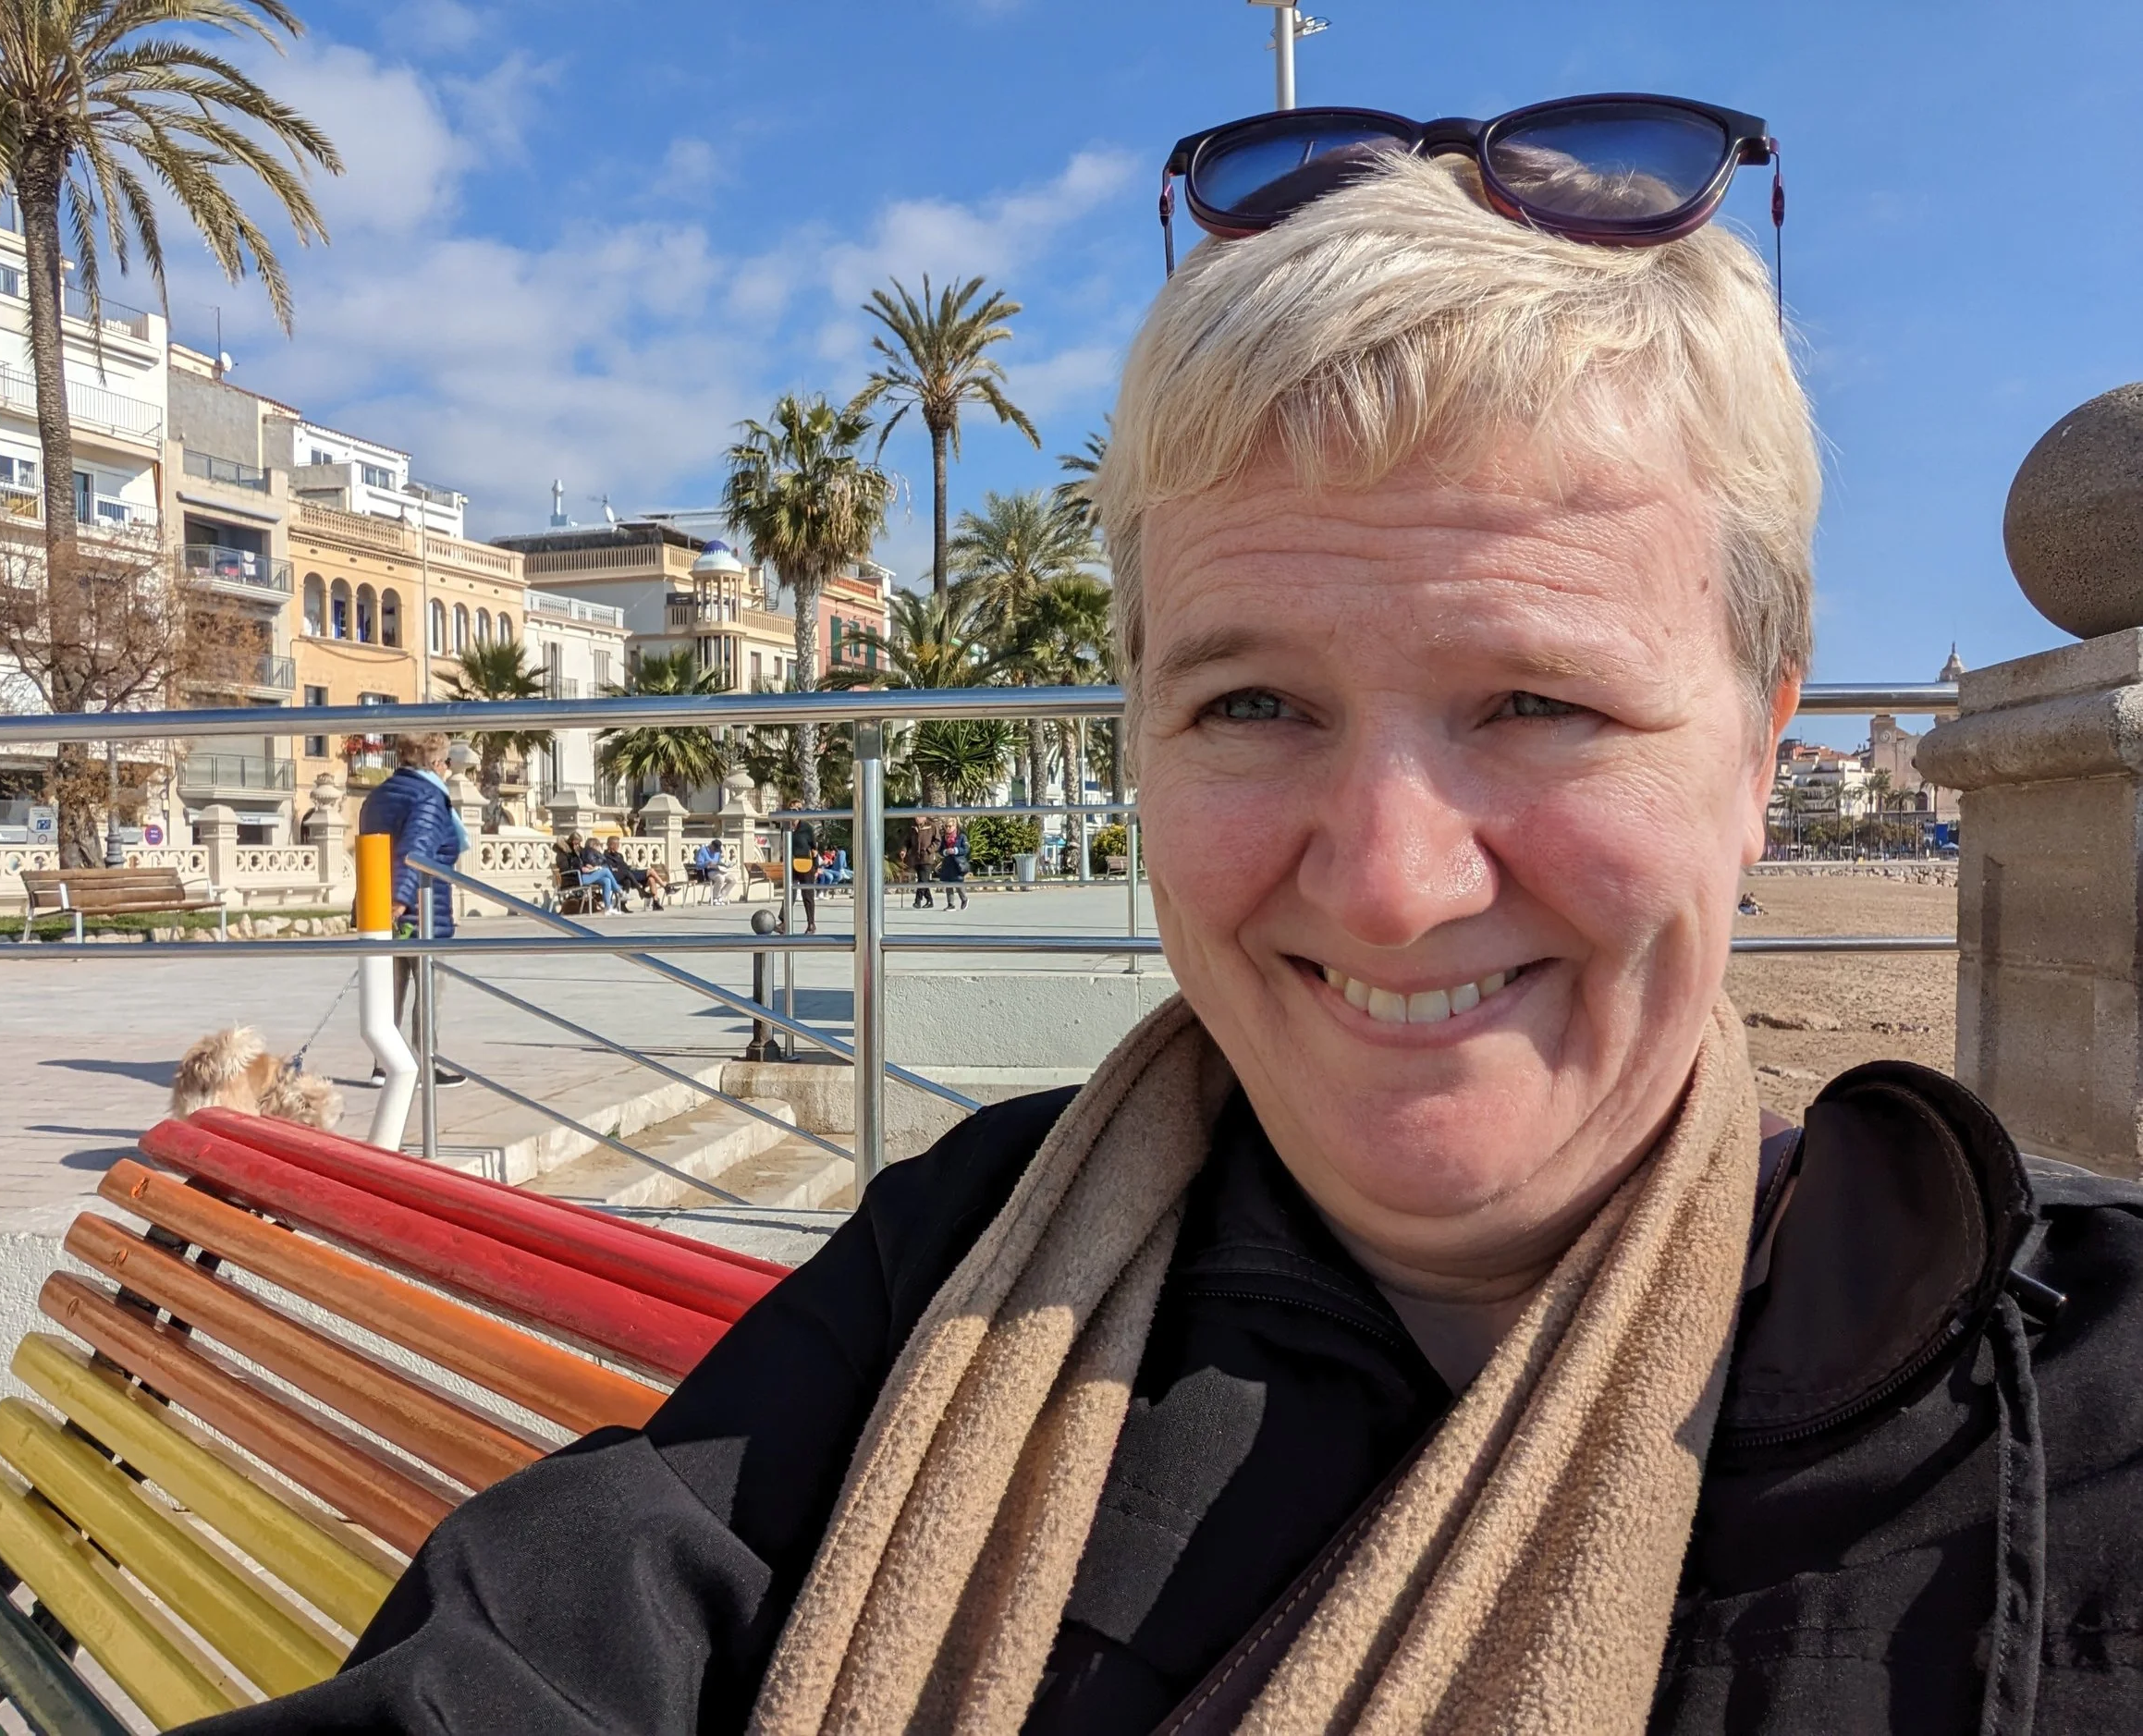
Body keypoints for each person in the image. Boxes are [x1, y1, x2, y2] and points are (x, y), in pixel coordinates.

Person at [190, 104, 2143, 1736]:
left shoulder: (2066, 1402)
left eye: (1534, 702)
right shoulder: (960, 1276)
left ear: (1756, 743)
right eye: (1250, 705)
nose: (1387, 877)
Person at [355, 732, 464, 1089]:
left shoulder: (378, 795)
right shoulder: (430, 797)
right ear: (435, 763)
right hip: (422, 908)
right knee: (429, 990)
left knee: (387, 991)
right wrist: (400, 900)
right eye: (447, 762)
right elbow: (416, 850)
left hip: (377, 906)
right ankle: (424, 1063)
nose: (448, 769)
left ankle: (383, 1065)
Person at [602, 840, 664, 911]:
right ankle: (663, 887)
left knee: (651, 879)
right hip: (621, 877)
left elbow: (624, 866)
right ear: (611, 845)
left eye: (618, 844)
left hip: (630, 874)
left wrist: (630, 867)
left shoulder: (619, 855)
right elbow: (612, 869)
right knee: (649, 871)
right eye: (616, 844)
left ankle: (655, 903)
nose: (618, 846)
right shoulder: (605, 856)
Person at [790, 817, 820, 935]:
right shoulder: (786, 828)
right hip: (791, 864)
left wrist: (816, 865)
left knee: (807, 895)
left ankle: (811, 924)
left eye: (797, 810)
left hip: (806, 865)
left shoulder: (807, 828)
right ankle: (784, 921)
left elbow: (814, 848)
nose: (793, 813)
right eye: (791, 809)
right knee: (789, 893)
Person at [936, 819, 969, 911]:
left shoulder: (962, 837)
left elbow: (966, 849)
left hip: (958, 864)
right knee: (948, 884)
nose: (948, 828)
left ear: (955, 826)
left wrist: (955, 850)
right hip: (948, 864)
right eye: (946, 826)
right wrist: (945, 852)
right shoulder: (943, 838)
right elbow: (940, 851)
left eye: (950, 826)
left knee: (958, 884)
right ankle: (951, 904)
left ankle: (964, 899)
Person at [692, 837, 731, 905]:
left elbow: (719, 862)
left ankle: (721, 896)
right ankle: (714, 897)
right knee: (720, 878)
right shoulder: (703, 851)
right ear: (711, 845)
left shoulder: (717, 853)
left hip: (718, 870)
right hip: (708, 872)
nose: (716, 851)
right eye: (715, 849)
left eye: (717, 850)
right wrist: (707, 863)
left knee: (733, 879)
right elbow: (698, 865)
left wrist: (724, 865)